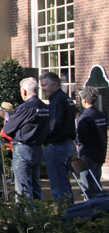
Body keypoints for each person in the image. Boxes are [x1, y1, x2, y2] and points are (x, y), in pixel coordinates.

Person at [2, 78, 50, 204]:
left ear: (24, 91)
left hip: (24, 149)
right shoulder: (45, 107)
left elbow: (7, 129)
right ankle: (40, 214)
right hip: (38, 148)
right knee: (35, 186)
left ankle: (26, 219)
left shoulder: (25, 107)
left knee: (23, 189)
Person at [39, 71, 77, 204]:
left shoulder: (57, 101)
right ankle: (70, 212)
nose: (43, 89)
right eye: (41, 86)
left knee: (58, 185)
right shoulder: (67, 99)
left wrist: (40, 137)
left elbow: (53, 125)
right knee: (65, 183)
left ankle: (64, 217)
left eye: (45, 85)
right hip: (66, 145)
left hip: (57, 146)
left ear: (55, 84)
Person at [76, 87, 107, 197]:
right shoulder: (101, 115)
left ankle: (92, 210)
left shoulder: (85, 117)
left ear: (84, 100)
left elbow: (81, 138)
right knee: (97, 183)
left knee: (89, 187)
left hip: (88, 154)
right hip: (100, 153)